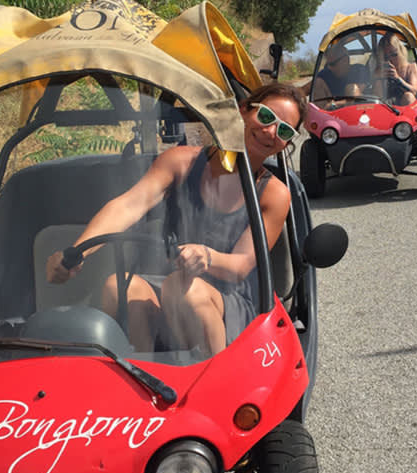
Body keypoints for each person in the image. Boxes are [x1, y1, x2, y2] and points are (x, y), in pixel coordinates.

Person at [45, 83, 306, 356]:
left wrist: (206, 256)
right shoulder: (180, 162)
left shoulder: (274, 193)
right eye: (266, 117)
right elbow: (127, 206)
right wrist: (77, 252)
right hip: (169, 281)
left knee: (182, 290)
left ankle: (215, 384)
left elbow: (241, 265)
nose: (271, 132)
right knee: (119, 285)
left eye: (284, 131)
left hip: (229, 298)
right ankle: (141, 375)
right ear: (243, 111)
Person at [373, 33, 417, 105]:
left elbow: (413, 91)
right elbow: (374, 100)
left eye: (394, 54)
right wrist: (378, 78)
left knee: (408, 96)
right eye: (386, 57)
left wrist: (397, 78)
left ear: (401, 52)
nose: (390, 59)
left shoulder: (411, 67)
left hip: (407, 110)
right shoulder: (379, 70)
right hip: (386, 108)